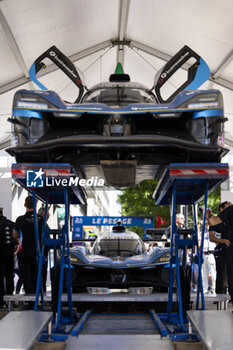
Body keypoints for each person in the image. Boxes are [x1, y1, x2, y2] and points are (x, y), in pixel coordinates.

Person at [13, 196, 43, 294]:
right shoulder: (40, 219)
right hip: (37, 251)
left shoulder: (20, 219)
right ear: (36, 205)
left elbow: (14, 234)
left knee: (26, 277)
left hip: (24, 251)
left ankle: (30, 300)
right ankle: (36, 299)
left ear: (25, 205)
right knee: (36, 276)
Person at [207, 202, 233, 302]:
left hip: (229, 247)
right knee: (223, 274)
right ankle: (220, 297)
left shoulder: (229, 212)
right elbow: (212, 223)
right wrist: (209, 217)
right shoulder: (229, 212)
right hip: (224, 249)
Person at [0, 210, 16, 309]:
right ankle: (10, 300)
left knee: (0, 277)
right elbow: (16, 238)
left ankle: (1, 302)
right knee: (9, 276)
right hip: (10, 253)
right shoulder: (11, 223)